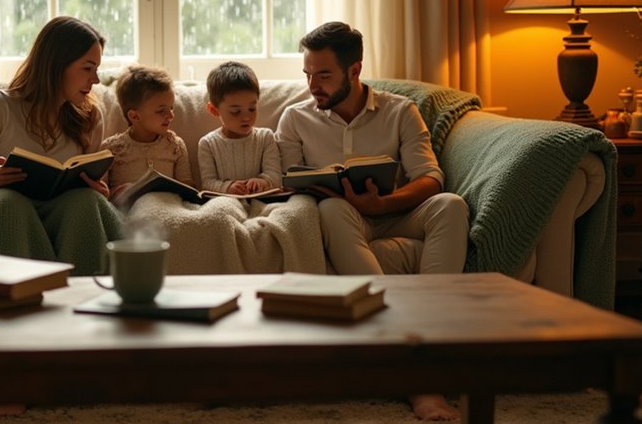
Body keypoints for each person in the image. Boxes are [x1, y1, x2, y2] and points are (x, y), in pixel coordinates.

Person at [276, 21, 469, 422]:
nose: (313, 85)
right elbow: (287, 183)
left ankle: (420, 338)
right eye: (308, 74)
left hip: (396, 214)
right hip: (343, 217)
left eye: (324, 75)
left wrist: (383, 205)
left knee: (450, 204)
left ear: (355, 70)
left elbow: (430, 179)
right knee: (330, 209)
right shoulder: (294, 119)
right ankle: (421, 374)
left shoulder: (401, 111)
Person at [0, 15, 123, 276]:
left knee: (87, 203)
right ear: (57, 65)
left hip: (60, 210)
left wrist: (99, 191)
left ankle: (79, 298)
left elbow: (93, 187)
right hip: (2, 203)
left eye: (97, 69)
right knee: (10, 205)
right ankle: (16, 295)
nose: (95, 80)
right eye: (87, 68)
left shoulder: (91, 118)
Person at [100, 65, 194, 202]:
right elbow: (100, 194)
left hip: (169, 210)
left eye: (171, 108)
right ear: (134, 116)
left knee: (224, 205)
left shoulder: (175, 146)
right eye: (161, 111)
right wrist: (114, 193)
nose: (171, 115)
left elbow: (188, 188)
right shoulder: (111, 149)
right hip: (129, 214)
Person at [198, 61, 282, 194]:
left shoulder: (265, 137)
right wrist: (228, 187)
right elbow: (208, 183)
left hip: (261, 199)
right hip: (226, 201)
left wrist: (263, 181)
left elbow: (275, 175)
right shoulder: (208, 144)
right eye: (235, 111)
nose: (246, 117)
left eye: (252, 109)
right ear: (214, 110)